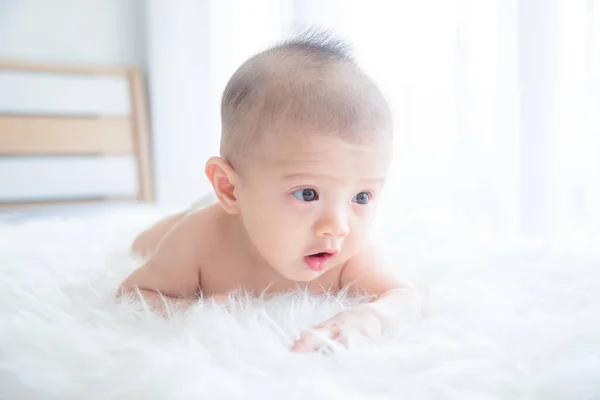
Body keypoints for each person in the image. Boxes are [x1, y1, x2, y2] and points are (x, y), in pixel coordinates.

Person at [118, 30, 419, 352]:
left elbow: (404, 297)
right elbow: (134, 294)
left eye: (361, 197)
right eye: (307, 194)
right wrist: (193, 310)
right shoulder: (199, 239)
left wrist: (371, 317)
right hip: (209, 210)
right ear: (230, 189)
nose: (338, 226)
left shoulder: (350, 255)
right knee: (147, 241)